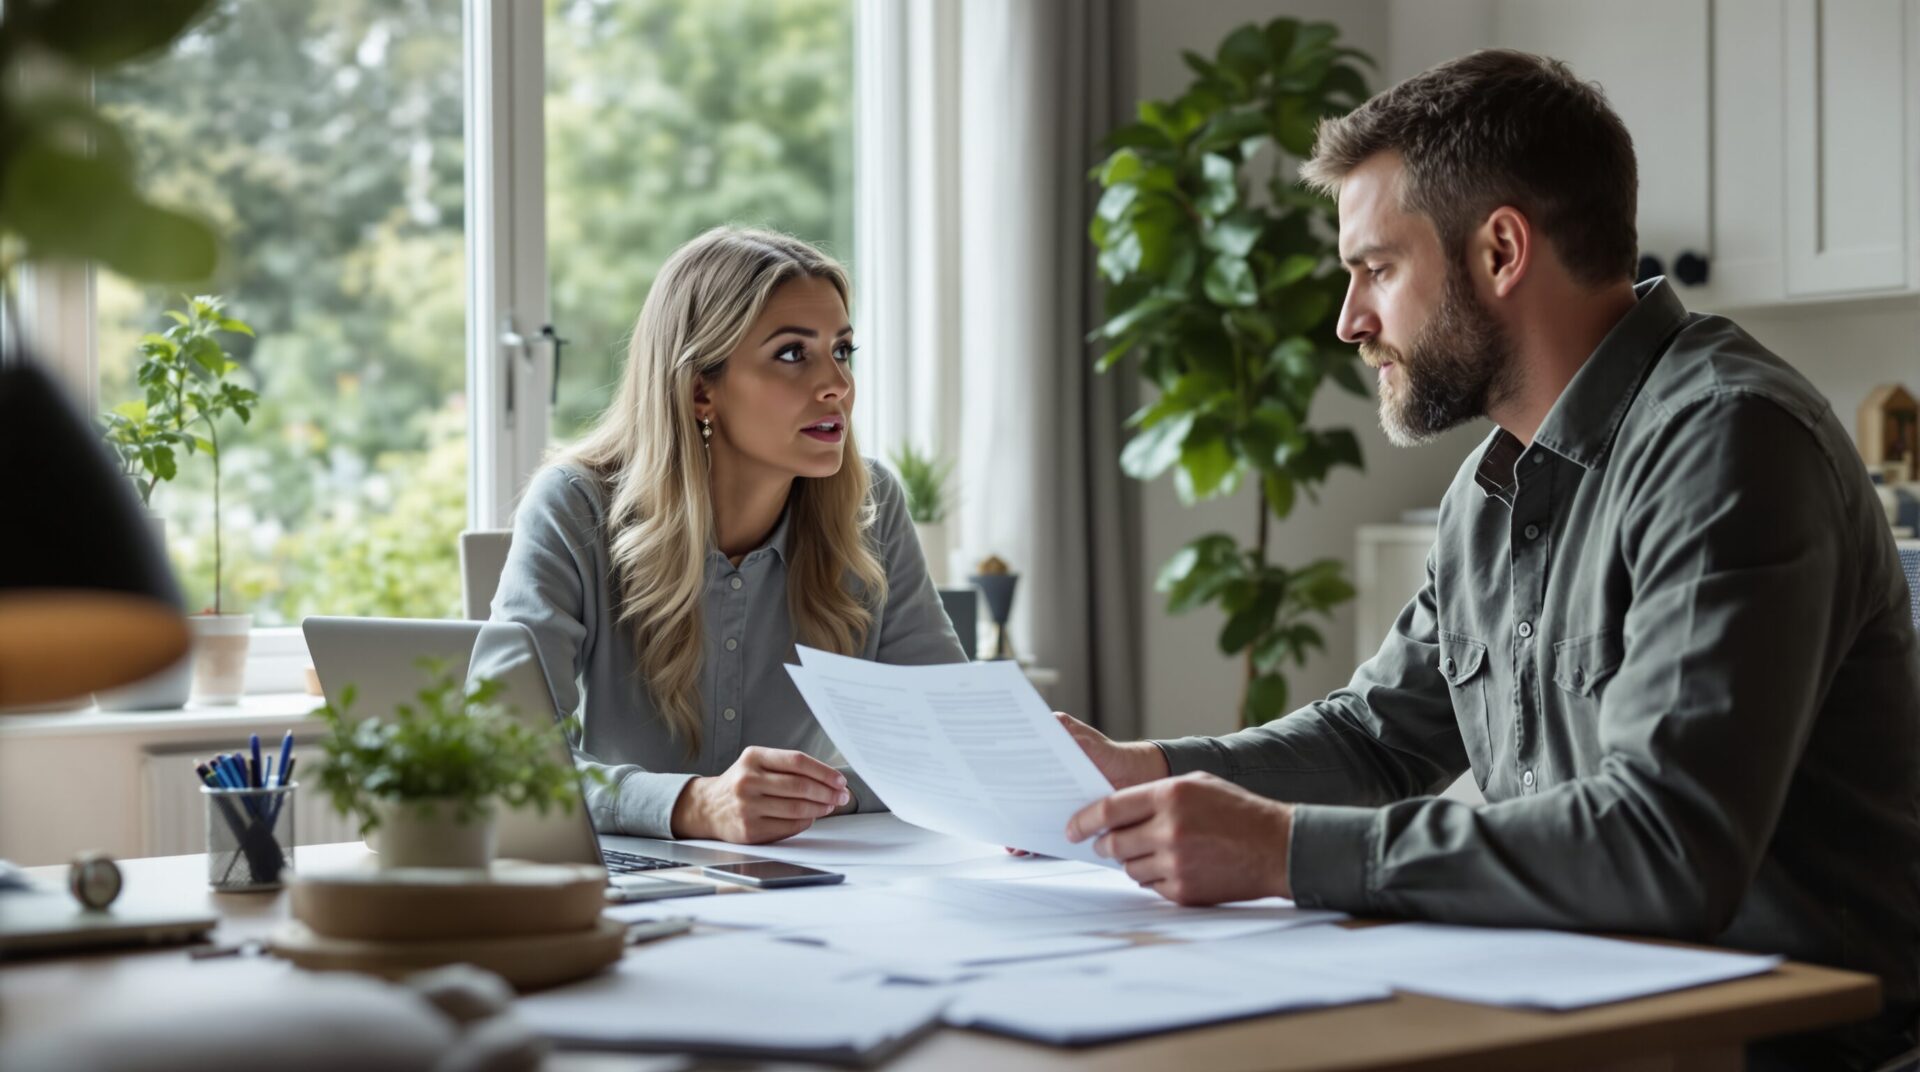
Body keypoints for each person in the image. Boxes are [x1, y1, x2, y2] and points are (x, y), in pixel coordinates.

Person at [1054, 50, 1920, 1070]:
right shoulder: (1491, 487)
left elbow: (1666, 844)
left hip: (1785, 1050)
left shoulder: (1729, 441)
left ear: (1502, 249)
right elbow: (1381, 737)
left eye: (1375, 268)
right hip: (1584, 1012)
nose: (1349, 321)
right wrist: (1146, 772)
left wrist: (1284, 850)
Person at [471, 227, 964, 845]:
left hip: (813, 882)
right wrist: (688, 805)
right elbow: (495, 758)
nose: (836, 383)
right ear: (702, 388)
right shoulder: (574, 506)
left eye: (842, 350)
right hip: (620, 881)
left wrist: (807, 800)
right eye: (793, 353)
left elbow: (951, 743)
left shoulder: (873, 505)